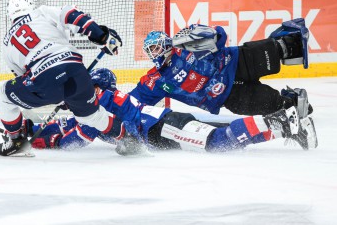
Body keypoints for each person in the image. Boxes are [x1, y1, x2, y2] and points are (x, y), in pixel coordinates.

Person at [27, 68, 318, 155]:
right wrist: (30, 131)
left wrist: (49, 141)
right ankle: (284, 124)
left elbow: (80, 134)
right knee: (218, 139)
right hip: (164, 126)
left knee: (217, 143)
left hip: (163, 126)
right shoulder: (103, 99)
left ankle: (281, 123)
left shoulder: (98, 103)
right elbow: (72, 123)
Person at [0, 0, 122, 156]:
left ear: (9, 15)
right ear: (31, 6)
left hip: (43, 80)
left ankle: (15, 139)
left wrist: (58, 96)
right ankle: (128, 139)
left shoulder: (7, 43)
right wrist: (101, 36)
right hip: (76, 71)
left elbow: (23, 78)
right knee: (93, 117)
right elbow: (70, 14)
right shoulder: (41, 12)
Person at [129, 18, 312, 122]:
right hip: (228, 96)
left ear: (165, 43)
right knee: (276, 106)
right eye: (150, 50)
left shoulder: (184, 43)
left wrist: (204, 33)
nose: (153, 53)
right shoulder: (156, 79)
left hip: (235, 62)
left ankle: (291, 36)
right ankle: (292, 99)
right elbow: (132, 100)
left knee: (275, 50)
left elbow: (220, 35)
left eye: (155, 47)